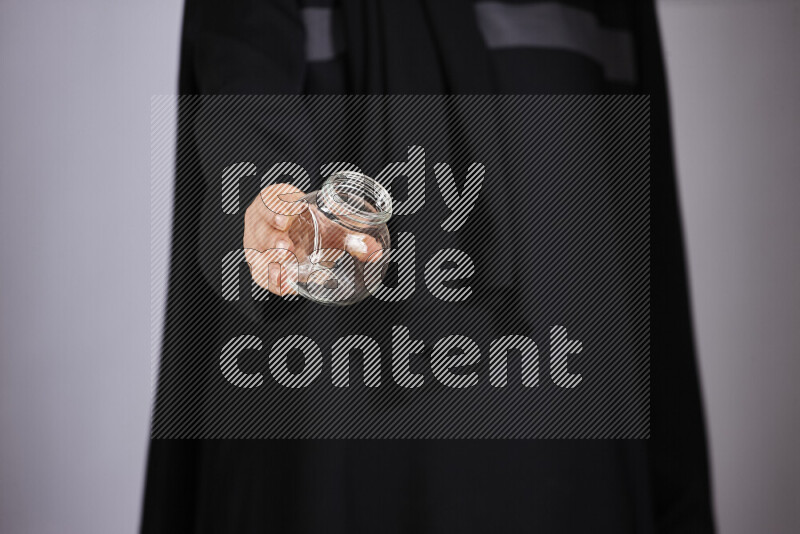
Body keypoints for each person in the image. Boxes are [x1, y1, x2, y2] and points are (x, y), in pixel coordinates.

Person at [142, 0, 715, 532]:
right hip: (326, 437)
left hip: (571, 444)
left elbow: (645, 255)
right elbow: (241, 98)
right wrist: (272, 201)